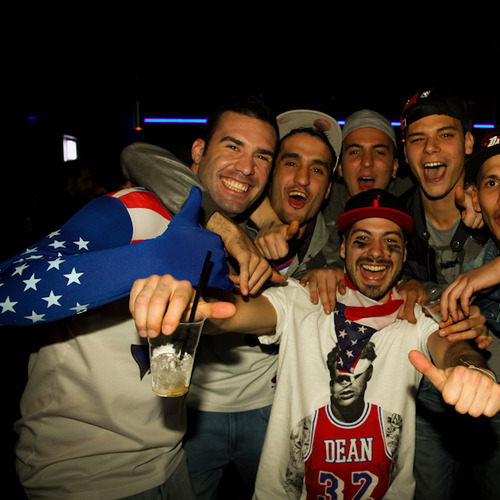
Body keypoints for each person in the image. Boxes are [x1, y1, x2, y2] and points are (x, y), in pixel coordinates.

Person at [129, 188, 500, 499]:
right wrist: (195, 305)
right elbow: (237, 312)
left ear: (404, 256)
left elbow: (452, 347)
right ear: (343, 249)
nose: (376, 253)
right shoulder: (300, 300)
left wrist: (469, 369)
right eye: (362, 240)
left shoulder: (415, 315)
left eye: (391, 243)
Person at [2, 96, 279, 499]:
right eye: (233, 146)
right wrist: (148, 259)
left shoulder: (229, 244)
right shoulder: (133, 209)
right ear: (198, 151)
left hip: (169, 461)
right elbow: (8, 287)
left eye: (262, 156)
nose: (247, 168)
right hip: (81, 474)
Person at [122, 108, 343, 498]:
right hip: (193, 412)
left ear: (328, 188)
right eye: (289, 162)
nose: (302, 178)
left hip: (271, 411)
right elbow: (138, 156)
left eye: (318, 169)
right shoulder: (228, 209)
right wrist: (230, 231)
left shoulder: (333, 246)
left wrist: (335, 273)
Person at [400, 88, 499, 499]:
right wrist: (411, 286)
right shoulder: (394, 217)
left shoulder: (493, 206)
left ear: (469, 142)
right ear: (406, 152)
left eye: (445, 134)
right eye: (418, 138)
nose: (431, 149)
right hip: (428, 395)